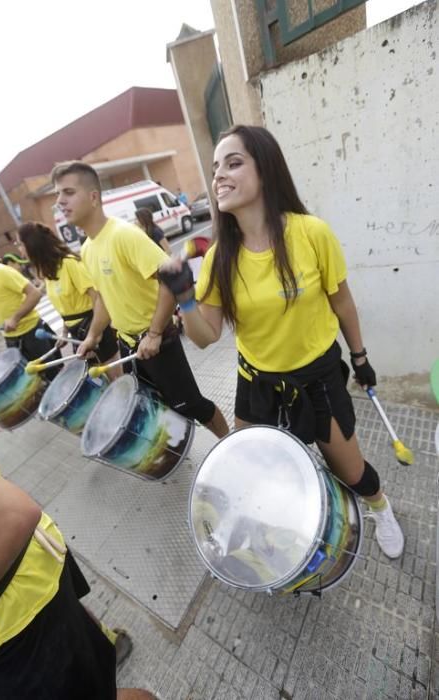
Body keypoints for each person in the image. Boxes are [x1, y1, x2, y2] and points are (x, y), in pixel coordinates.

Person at [159, 125, 404, 560]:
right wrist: (184, 298)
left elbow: (343, 302)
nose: (220, 175)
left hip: (319, 379)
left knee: (350, 471)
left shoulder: (312, 234)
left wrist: (360, 358)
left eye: (234, 163)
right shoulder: (219, 257)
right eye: (215, 168)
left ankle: (380, 507)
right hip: (256, 384)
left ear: (266, 172)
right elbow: (205, 337)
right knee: (256, 474)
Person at [51, 161, 228, 438]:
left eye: (68, 192)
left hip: (157, 340)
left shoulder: (124, 235)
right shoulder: (86, 249)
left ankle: (228, 443)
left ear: (93, 197)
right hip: (129, 343)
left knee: (191, 404)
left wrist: (155, 333)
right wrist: (93, 337)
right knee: (153, 403)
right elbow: (106, 299)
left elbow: (170, 280)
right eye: (58, 194)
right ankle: (176, 450)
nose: (60, 201)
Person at [0, 438, 156, 700]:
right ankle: (103, 646)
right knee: (82, 634)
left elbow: (12, 515)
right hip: (24, 584)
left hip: (14, 615)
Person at [18, 221, 121, 380]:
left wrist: (94, 335)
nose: (19, 249)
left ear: (32, 245)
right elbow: (66, 306)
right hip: (77, 333)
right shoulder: (48, 271)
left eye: (20, 244)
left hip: (94, 327)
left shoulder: (69, 263)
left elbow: (98, 299)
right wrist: (65, 333)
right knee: (99, 383)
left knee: (116, 379)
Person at [0, 247, 61, 379]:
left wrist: (15, 318)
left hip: (33, 333)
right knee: (31, 381)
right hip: (10, 339)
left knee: (52, 375)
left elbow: (34, 294)